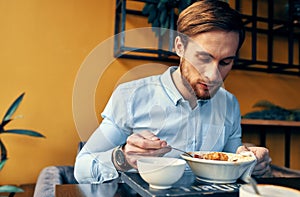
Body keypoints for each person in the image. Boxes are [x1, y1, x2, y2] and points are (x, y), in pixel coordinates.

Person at [74, 0, 272, 184]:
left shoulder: (229, 104)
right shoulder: (130, 97)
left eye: (226, 62)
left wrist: (251, 162)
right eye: (203, 58)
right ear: (180, 47)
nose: (213, 76)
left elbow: (233, 158)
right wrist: (123, 158)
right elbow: (82, 167)